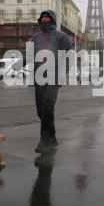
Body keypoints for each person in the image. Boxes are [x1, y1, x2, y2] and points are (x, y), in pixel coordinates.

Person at [33, 10, 72, 154]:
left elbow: (69, 55)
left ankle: (44, 142)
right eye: (42, 17)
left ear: (53, 19)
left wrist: (63, 73)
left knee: (47, 107)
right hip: (39, 77)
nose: (44, 19)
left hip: (54, 77)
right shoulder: (36, 37)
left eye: (47, 17)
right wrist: (17, 63)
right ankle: (53, 137)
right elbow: (29, 55)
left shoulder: (61, 36)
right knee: (41, 111)